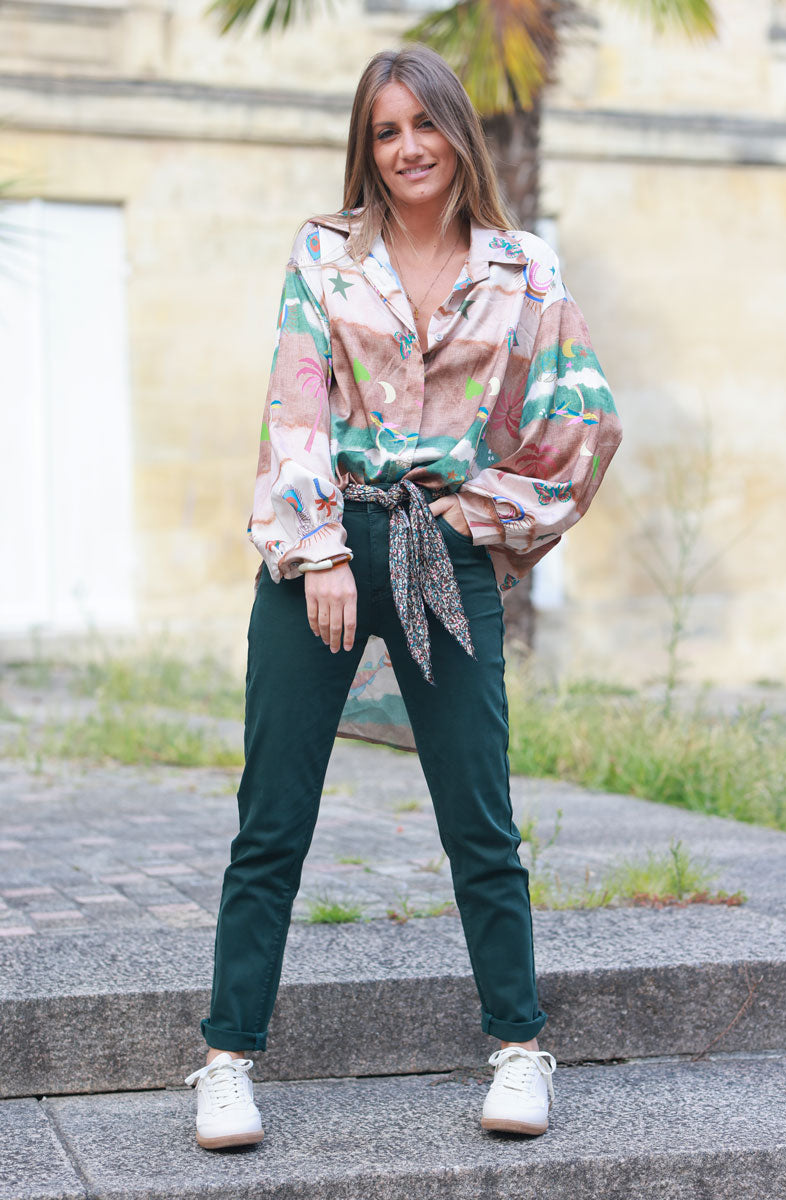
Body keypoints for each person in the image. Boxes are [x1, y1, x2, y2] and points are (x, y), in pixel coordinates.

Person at [184, 44, 622, 1149]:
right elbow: (295, 404)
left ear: (455, 134)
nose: (406, 148)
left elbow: (583, 417)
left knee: (478, 817)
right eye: (384, 131)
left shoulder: (522, 270)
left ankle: (519, 1048)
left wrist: (480, 516)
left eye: (422, 125)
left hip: (445, 550)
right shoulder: (324, 256)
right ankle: (227, 1060)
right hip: (317, 554)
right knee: (270, 820)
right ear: (364, 146)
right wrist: (323, 551)